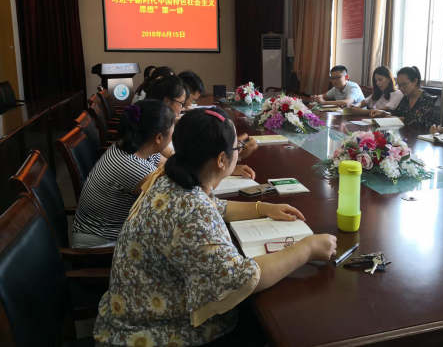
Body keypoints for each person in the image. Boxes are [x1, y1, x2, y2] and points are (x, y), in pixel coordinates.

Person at [93, 108, 337, 347]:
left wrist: (262, 208)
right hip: (151, 332)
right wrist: (307, 248)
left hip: (134, 309)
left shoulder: (168, 176)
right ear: (221, 160)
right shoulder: (192, 210)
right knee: (267, 325)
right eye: (236, 149)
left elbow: (214, 207)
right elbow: (240, 279)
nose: (238, 153)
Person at [72, 100, 175, 248]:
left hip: (112, 231)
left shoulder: (133, 145)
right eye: (172, 132)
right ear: (158, 138)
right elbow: (173, 196)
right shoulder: (136, 169)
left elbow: (169, 167)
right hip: (100, 244)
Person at [178, 69, 259, 160]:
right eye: (192, 100)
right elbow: (192, 158)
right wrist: (232, 151)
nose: (189, 105)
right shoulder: (171, 123)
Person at [372, 66, 437, 129]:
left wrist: (398, 119)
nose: (401, 88)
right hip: (407, 133)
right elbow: (396, 113)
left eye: (404, 84)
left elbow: (418, 121)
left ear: (415, 81)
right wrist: (382, 113)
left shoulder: (426, 99)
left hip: (423, 134)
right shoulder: (406, 98)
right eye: (399, 85)